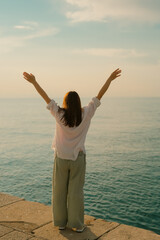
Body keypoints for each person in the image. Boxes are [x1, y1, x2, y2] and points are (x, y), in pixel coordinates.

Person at [23, 68, 121, 233]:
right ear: (78, 102)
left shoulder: (59, 114)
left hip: (61, 158)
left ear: (66, 102)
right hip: (78, 158)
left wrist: (34, 82)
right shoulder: (87, 113)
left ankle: (61, 222)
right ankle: (76, 224)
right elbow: (99, 95)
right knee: (75, 193)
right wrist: (110, 79)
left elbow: (45, 97)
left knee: (59, 191)